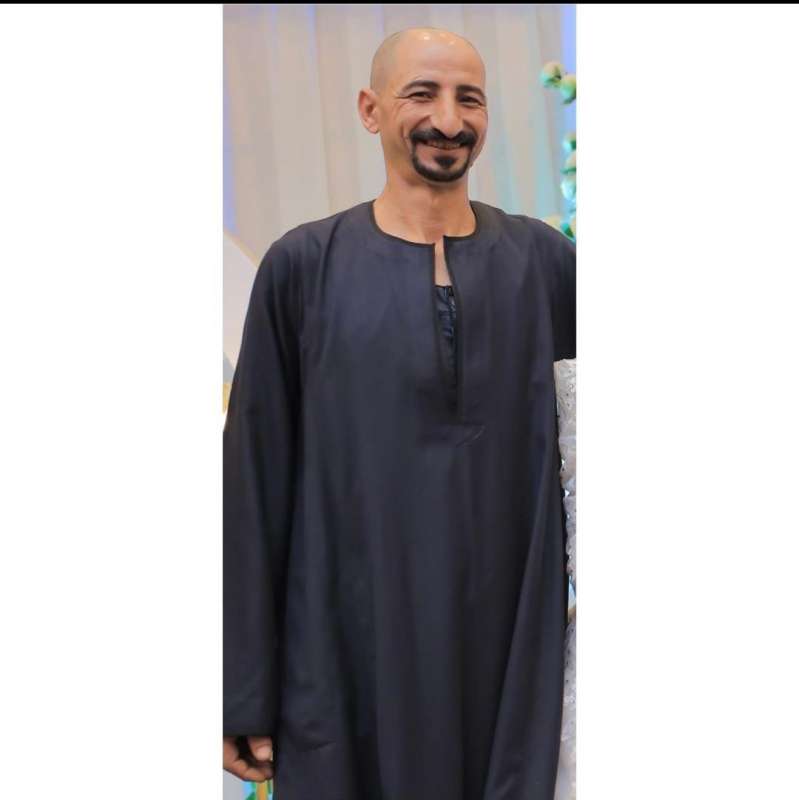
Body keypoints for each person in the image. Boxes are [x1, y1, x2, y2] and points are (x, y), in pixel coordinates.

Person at [223, 26, 576, 800]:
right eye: (422, 93)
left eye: (468, 99)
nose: (447, 120)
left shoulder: (548, 267)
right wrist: (241, 687)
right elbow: (253, 484)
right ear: (370, 109)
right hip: (344, 657)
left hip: (513, 659)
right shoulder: (302, 269)